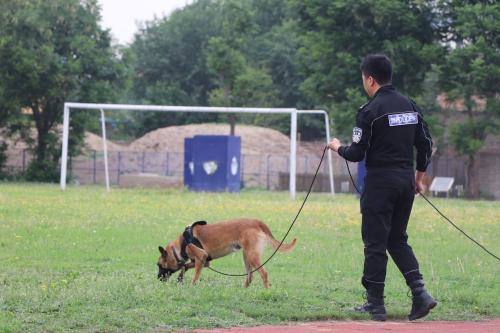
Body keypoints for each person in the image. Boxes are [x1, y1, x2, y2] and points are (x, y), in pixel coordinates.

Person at [328, 54, 437, 321]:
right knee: (397, 239)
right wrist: (419, 178)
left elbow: (355, 153)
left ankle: (375, 304)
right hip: (404, 183)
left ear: (371, 79)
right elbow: (425, 144)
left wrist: (336, 147)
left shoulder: (369, 111)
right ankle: (420, 293)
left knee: (375, 243)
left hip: (380, 185)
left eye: (363, 79)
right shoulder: (410, 106)